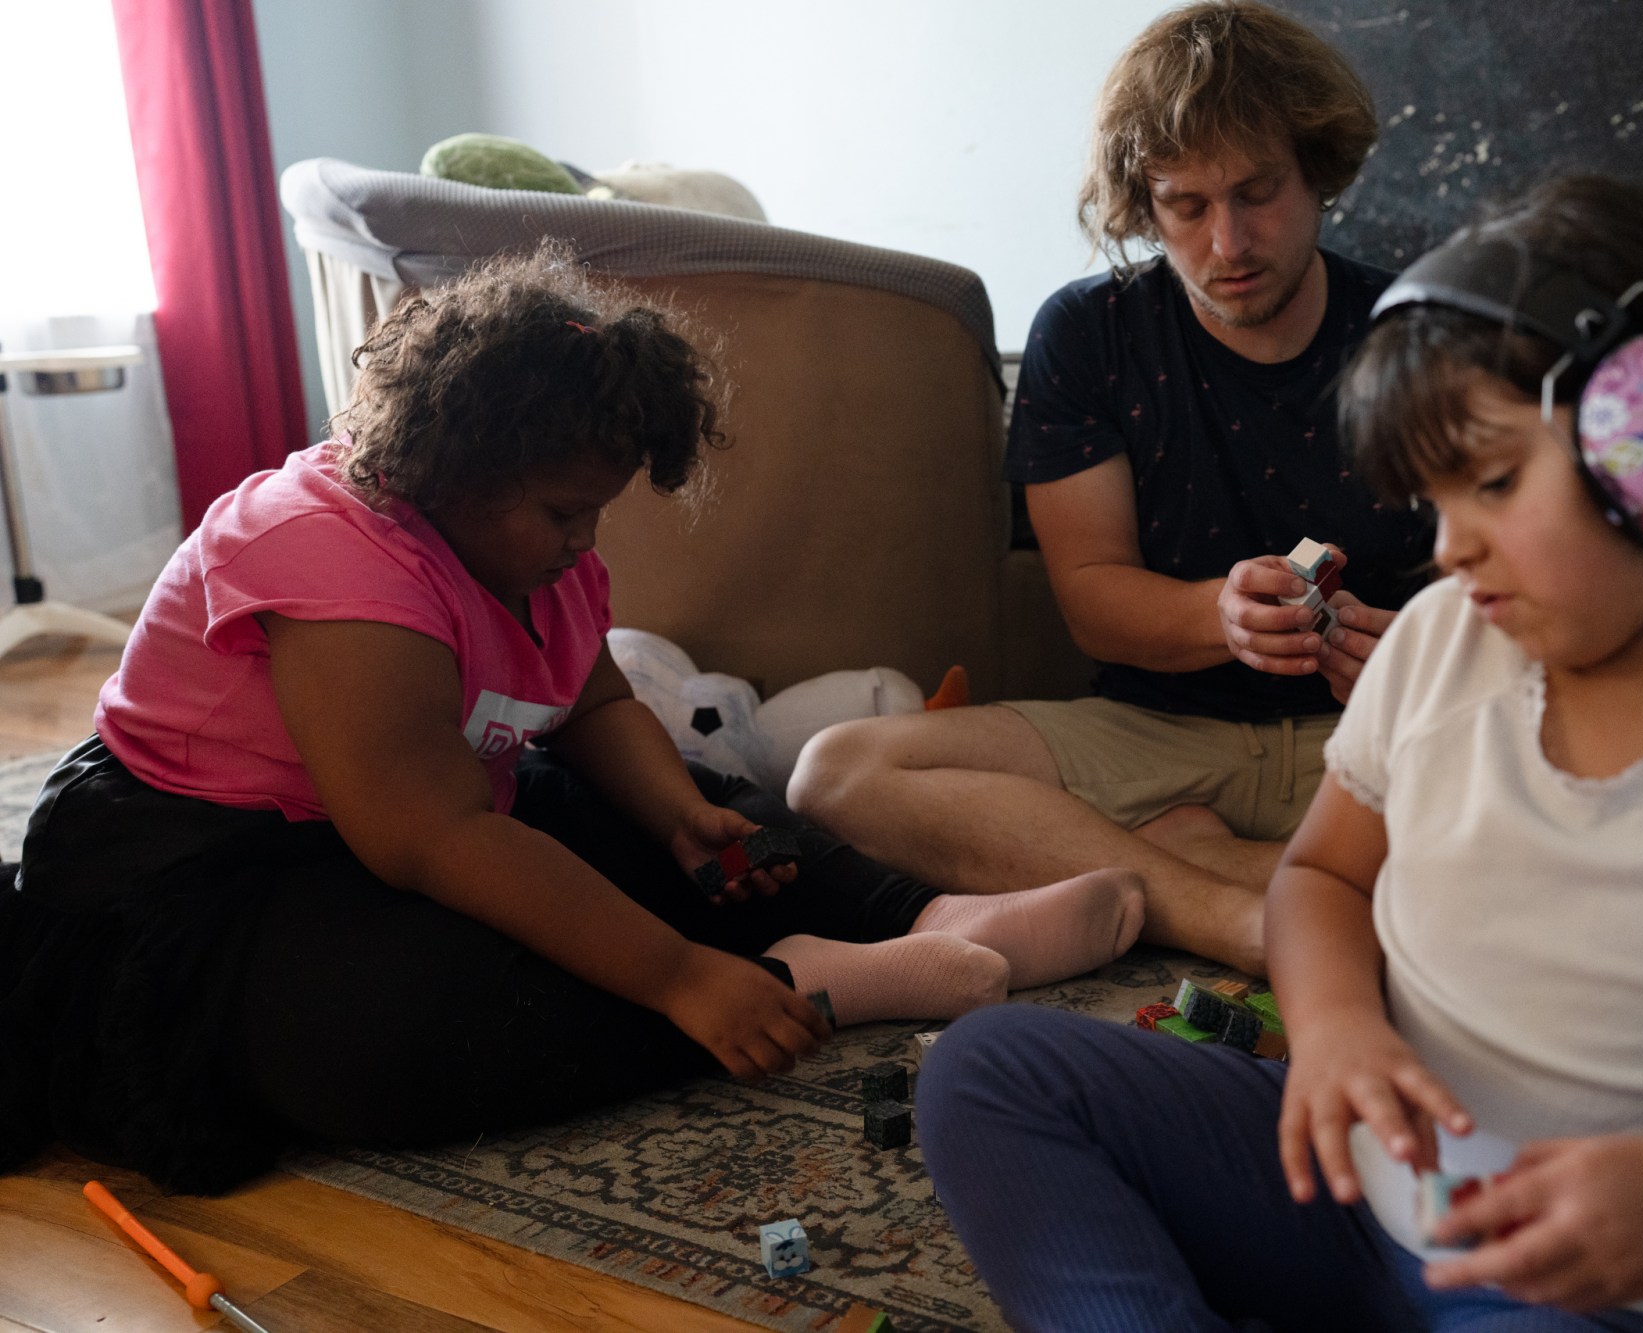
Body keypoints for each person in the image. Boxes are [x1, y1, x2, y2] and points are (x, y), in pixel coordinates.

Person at [913, 175, 1643, 1331]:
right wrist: (1332, 1029)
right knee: (989, 1073)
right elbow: (1323, 878)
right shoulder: (1442, 640)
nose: (1449, 546)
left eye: (1488, 481)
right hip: (1350, 1201)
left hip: (1588, 1294)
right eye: (1430, 499)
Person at [0, 246, 1142, 1195]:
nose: (586, 541)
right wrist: (675, 975)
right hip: (215, 861)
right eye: (563, 512)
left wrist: (674, 812)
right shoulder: (327, 556)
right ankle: (813, 981)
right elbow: (428, 837)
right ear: (450, 468)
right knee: (397, 1036)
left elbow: (589, 696)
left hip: (448, 790)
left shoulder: (533, 556)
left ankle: (932, 912)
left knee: (712, 813)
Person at [790, 1, 1433, 977]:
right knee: (834, 772)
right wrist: (1219, 616)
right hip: (1154, 734)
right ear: (1142, 202)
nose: (1228, 242)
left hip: (1371, 740)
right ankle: (1229, 912)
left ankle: (1192, 861)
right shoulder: (1089, 333)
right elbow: (1093, 598)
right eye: (1184, 204)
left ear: (1317, 174)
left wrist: (1422, 649)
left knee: (1606, 823)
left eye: (1258, 192)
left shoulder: (1421, 334)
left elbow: (1517, 600)